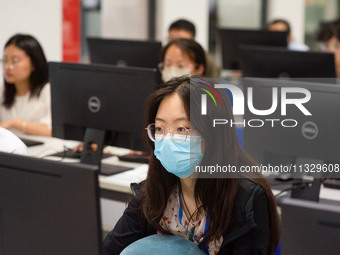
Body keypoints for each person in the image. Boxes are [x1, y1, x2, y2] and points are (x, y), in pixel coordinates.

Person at [103, 76, 280, 255]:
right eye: (159, 129)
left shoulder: (246, 199)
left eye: (181, 129)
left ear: (212, 133)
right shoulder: (152, 193)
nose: (168, 138)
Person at [0, 34, 51, 136]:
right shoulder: (3, 91)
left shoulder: (47, 90)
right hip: (10, 150)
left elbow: (52, 131)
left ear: (33, 63)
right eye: (5, 60)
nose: (7, 67)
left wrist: (14, 123)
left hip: (43, 150)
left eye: (14, 61)